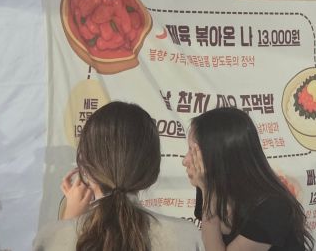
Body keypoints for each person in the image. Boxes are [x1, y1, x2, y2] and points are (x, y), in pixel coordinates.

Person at [33, 101, 202, 251]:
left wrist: (67, 226)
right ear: (151, 168)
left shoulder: (51, 237)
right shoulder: (185, 236)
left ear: (86, 166)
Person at [183, 107, 314, 251]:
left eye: (193, 151)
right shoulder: (212, 186)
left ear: (221, 157)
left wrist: (208, 193)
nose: (185, 161)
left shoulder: (272, 207)